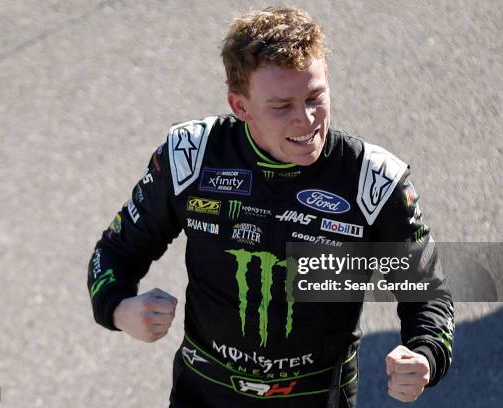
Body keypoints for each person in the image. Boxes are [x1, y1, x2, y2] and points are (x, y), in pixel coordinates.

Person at [87, 6, 454, 407]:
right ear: (239, 105)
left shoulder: (373, 180)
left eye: (316, 97)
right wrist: (119, 308)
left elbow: (428, 291)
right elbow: (115, 252)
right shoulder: (190, 158)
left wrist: (424, 354)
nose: (306, 120)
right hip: (204, 397)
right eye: (282, 107)